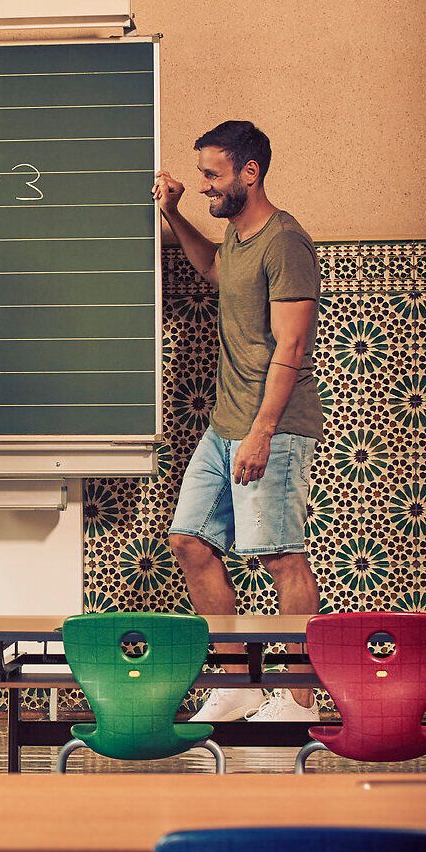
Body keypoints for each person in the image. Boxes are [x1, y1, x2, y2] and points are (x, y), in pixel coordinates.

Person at [154, 121, 322, 723]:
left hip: (272, 426)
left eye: (212, 175)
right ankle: (239, 686)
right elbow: (214, 272)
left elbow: (293, 346)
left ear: (250, 172)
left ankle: (300, 700)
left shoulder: (285, 242)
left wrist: (261, 432)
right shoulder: (240, 236)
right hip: (225, 423)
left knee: (280, 557)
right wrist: (174, 214)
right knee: (190, 542)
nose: (205, 186)